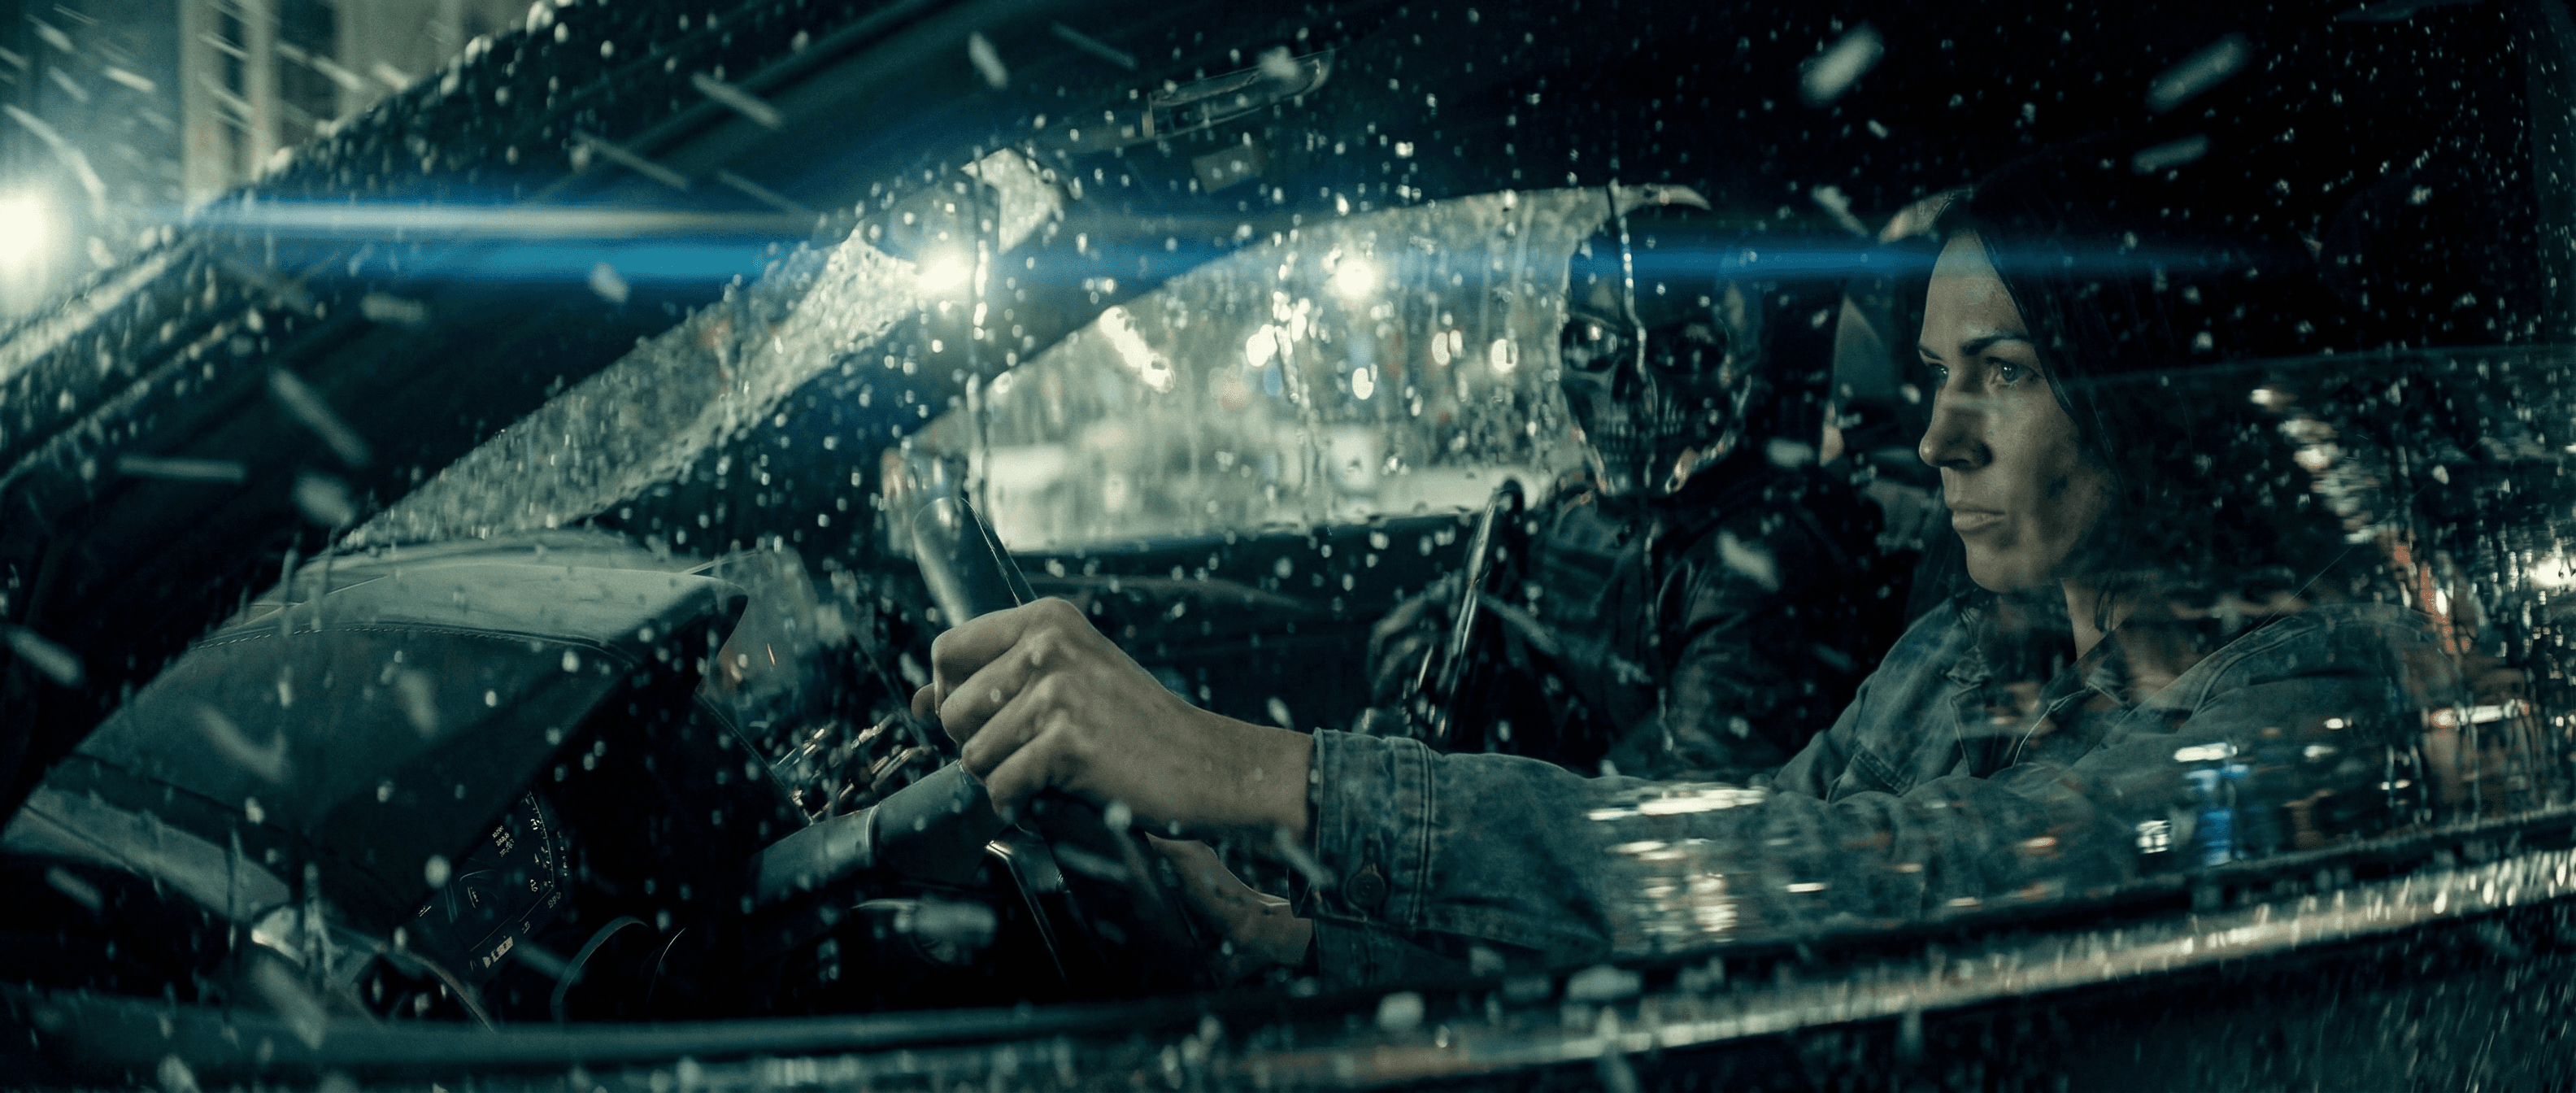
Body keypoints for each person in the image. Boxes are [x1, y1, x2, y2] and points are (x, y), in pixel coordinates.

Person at [907, 141, 2458, 987]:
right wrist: (1304, 933)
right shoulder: (1968, 653)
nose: (1936, 436)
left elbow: (1875, 876)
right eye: (1934, 376)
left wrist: (1264, 773)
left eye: (2002, 373)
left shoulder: (2303, 709)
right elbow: (1717, 851)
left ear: (2148, 393)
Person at [1364, 198, 1912, 783]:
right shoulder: (1573, 506)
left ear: (1743, 365)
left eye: (1683, 351)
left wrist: (1464, 791)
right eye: (1595, 343)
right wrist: (1431, 670)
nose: (1630, 387)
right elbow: (1426, 622)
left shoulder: (1755, 555)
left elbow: (1676, 803)